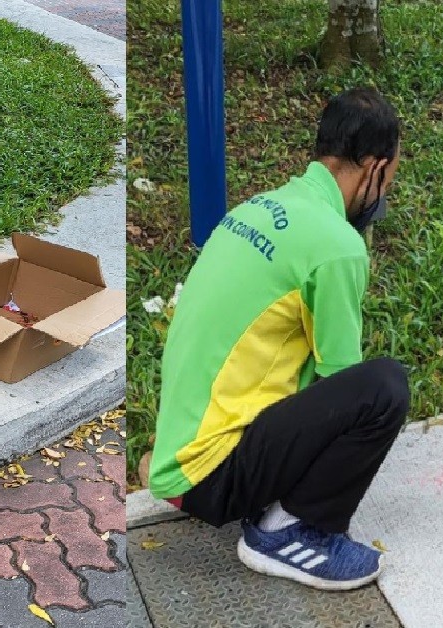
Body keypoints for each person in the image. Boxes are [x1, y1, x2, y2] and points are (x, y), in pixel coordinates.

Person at [148, 87, 410, 590]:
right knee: (383, 388)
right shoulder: (337, 246)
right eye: (389, 182)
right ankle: (289, 532)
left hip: (179, 454)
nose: (384, 197)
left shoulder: (258, 207)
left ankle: (269, 504)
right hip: (210, 474)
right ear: (375, 168)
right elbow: (341, 383)